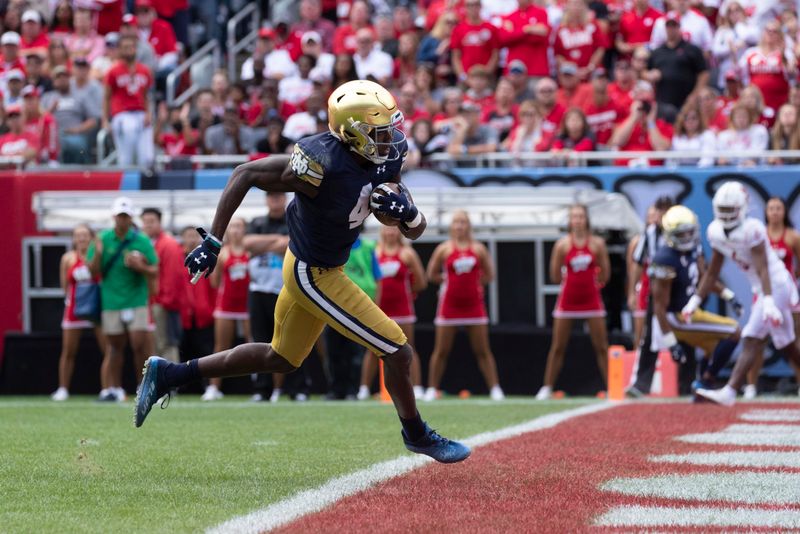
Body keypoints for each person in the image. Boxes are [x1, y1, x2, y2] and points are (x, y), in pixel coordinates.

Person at [134, 80, 471, 463]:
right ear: (352, 133)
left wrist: (409, 213)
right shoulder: (319, 163)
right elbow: (245, 173)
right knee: (397, 350)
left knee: (281, 357)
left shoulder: (385, 158)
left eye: (391, 129)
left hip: (318, 266)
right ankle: (417, 435)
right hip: (315, 273)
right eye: (380, 132)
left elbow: (412, 226)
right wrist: (214, 241)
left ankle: (169, 375)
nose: (390, 139)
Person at [692, 182, 800, 406]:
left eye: (730, 209)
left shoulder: (753, 229)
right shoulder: (715, 230)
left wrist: (769, 301)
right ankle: (731, 390)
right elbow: (712, 272)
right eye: (723, 209)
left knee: (751, 336)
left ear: (743, 208)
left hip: (776, 284)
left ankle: (730, 391)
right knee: (788, 346)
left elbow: (763, 268)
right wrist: (695, 300)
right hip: (763, 289)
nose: (726, 214)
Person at [648, 205, 742, 393]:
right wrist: (671, 343)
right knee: (734, 331)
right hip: (676, 317)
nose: (687, 238)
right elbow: (659, 306)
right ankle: (705, 381)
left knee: (715, 347)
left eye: (689, 232)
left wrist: (727, 295)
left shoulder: (694, 250)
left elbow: (704, 278)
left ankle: (701, 388)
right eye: (681, 234)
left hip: (691, 312)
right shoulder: (665, 258)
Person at [424, 210, 505, 402]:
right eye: (456, 222)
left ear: (469, 226)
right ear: (452, 226)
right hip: (449, 306)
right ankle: (431, 389)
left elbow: (489, 274)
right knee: (441, 350)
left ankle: (495, 388)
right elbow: (431, 274)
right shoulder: (444, 249)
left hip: (473, 305)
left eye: (463, 222)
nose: (460, 226)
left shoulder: (478, 249)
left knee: (482, 350)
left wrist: (477, 284)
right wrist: (445, 281)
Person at [87, 197, 158, 402]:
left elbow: (154, 269)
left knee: (139, 344)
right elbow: (93, 272)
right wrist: (98, 253)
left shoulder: (141, 240)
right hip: (111, 300)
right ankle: (115, 388)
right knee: (115, 346)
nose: (122, 220)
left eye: (126, 216)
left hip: (136, 299)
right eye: (120, 216)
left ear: (131, 218)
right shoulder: (103, 239)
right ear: (114, 217)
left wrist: (140, 267)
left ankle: (141, 386)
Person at [536, 204, 609, 399]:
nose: (577, 221)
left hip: (592, 301)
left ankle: (612, 386)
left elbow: (605, 273)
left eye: (580, 217)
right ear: (570, 221)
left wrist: (593, 283)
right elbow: (553, 274)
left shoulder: (597, 244)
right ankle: (547, 387)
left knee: (601, 346)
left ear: (586, 220)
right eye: (574, 217)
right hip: (567, 301)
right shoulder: (562, 245)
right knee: (558, 346)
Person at [359, 224, 426, 401]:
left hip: (403, 308)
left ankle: (417, 387)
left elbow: (421, 282)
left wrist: (407, 293)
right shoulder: (375, 252)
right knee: (372, 349)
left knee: (409, 347)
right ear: (381, 231)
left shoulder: (407, 254)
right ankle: (364, 388)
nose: (390, 232)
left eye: (394, 228)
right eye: (387, 228)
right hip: (378, 309)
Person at [744, 196, 800, 399]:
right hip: (764, 294)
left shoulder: (793, 236)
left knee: (794, 339)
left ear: (784, 212)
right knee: (757, 339)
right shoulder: (759, 236)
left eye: (778, 208)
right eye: (771, 208)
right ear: (765, 212)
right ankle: (750, 386)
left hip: (786, 294)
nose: (775, 212)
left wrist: (789, 282)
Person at [52, 224, 107, 401]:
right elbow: (64, 286)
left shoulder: (98, 256)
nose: (82, 239)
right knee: (68, 350)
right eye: (78, 235)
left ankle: (109, 388)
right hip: (75, 308)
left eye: (85, 235)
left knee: (107, 349)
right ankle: (63, 389)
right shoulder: (68, 258)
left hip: (96, 306)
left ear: (91, 237)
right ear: (74, 239)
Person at [325, 227, 382, 400]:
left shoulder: (368, 247)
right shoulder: (332, 246)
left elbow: (377, 279)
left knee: (356, 352)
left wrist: (375, 307)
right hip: (334, 307)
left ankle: (352, 390)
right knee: (333, 351)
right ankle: (336, 389)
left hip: (360, 308)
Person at [203, 218, 251, 401]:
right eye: (232, 227)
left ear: (245, 230)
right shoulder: (223, 253)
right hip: (226, 305)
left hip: (246, 306)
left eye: (240, 226)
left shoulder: (250, 252)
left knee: (253, 343)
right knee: (221, 346)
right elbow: (215, 282)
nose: (236, 230)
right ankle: (214, 387)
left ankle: (260, 386)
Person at [141, 208, 184, 365]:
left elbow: (174, 276)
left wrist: (165, 300)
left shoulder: (168, 244)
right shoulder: (148, 243)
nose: (148, 225)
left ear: (160, 222)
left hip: (161, 302)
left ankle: (171, 383)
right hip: (152, 301)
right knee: (157, 344)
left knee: (165, 343)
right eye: (145, 222)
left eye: (151, 221)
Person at [103, 34, 154, 168]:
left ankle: (146, 186)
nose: (129, 50)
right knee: (126, 157)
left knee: (147, 158)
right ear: (119, 50)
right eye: (125, 47)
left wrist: (149, 113)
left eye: (131, 47)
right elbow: (106, 97)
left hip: (141, 113)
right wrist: (105, 119)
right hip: (122, 114)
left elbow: (146, 95)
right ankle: (124, 186)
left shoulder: (144, 70)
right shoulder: (113, 71)